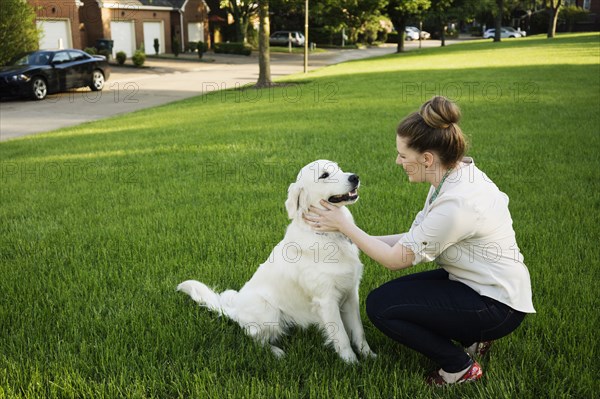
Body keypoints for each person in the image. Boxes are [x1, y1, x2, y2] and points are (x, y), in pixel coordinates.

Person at [304, 96, 535, 386]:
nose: (397, 161)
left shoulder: (456, 205)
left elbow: (396, 260)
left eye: (402, 154)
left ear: (427, 158)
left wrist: (346, 228)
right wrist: (351, 238)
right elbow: (412, 240)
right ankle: (475, 337)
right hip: (480, 284)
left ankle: (460, 367)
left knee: (382, 307)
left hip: (497, 305)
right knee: (392, 295)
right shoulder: (452, 175)